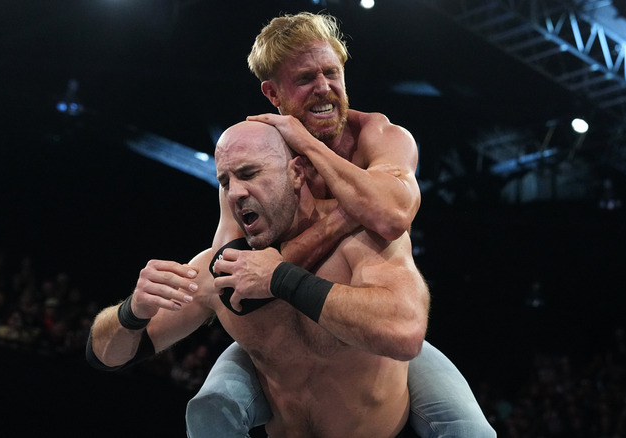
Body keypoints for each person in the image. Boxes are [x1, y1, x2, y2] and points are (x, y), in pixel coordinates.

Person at [186, 12, 495, 437]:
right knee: (208, 410)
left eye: (332, 72)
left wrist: (308, 144)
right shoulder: (252, 162)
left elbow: (392, 214)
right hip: (282, 335)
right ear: (272, 93)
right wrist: (346, 216)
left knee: (472, 432)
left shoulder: (382, 137)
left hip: (368, 328)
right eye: (306, 78)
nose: (324, 88)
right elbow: (235, 282)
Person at [87, 120, 430, 437]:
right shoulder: (219, 274)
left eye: (250, 173)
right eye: (225, 182)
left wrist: (281, 278)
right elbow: (105, 356)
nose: (235, 193)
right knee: (206, 411)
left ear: (296, 173)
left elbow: (405, 334)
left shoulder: (356, 242)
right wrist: (132, 312)